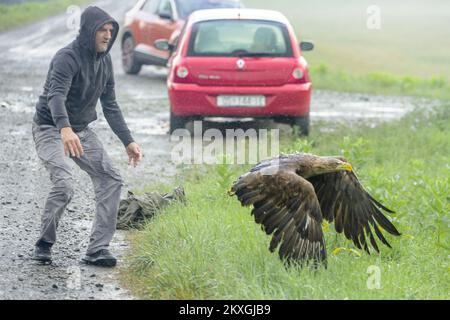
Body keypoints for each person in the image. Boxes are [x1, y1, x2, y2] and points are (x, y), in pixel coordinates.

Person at [31, 6, 142, 267]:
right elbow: (55, 97)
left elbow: (110, 105)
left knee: (111, 179)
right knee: (64, 184)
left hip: (80, 130)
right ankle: (44, 243)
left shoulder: (105, 61)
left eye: (110, 31)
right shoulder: (66, 57)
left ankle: (97, 250)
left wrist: (128, 140)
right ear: (88, 31)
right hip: (50, 128)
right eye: (101, 30)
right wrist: (64, 128)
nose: (107, 35)